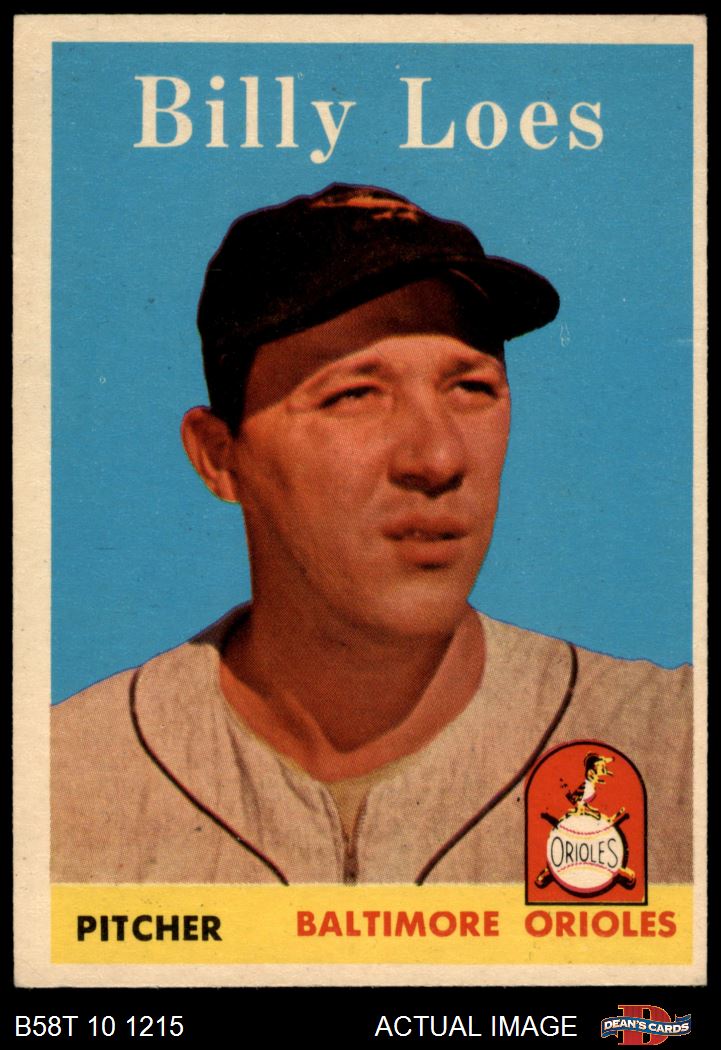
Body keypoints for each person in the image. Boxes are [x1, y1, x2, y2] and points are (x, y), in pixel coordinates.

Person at [51, 183, 691, 885]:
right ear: (219, 457)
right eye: (354, 393)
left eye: (471, 388)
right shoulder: (64, 781)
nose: (438, 459)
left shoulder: (672, 751)